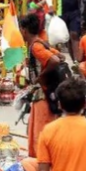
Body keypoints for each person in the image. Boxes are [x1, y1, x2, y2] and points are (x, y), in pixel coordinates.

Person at [19, 14, 63, 157]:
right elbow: (60, 57)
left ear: (24, 30)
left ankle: (41, 165)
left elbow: (55, 60)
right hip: (47, 94)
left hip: (42, 95)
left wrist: (40, 76)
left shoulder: (36, 47)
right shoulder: (42, 43)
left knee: (40, 133)